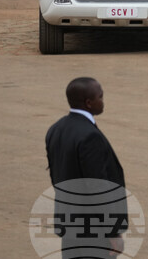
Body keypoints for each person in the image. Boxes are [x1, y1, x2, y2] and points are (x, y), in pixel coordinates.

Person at [45, 77, 126, 259]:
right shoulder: (90, 137)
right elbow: (98, 187)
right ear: (89, 103)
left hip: (69, 222)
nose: (103, 101)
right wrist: (113, 232)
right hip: (93, 229)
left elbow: (56, 176)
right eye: (100, 97)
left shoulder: (56, 129)